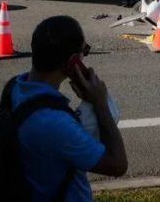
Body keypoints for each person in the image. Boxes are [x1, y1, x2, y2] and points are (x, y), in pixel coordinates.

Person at [11, 15, 127, 201]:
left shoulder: (15, 88)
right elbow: (118, 165)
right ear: (73, 61)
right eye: (84, 51)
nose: (84, 56)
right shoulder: (54, 123)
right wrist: (100, 103)